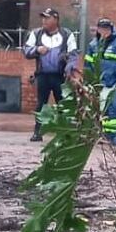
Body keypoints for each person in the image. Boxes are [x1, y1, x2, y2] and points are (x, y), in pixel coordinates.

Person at [23, 7, 78, 142]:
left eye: (47, 18)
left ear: (56, 19)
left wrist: (69, 69)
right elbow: (26, 50)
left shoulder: (67, 34)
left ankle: (65, 133)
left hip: (60, 76)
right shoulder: (36, 34)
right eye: (43, 18)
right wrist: (37, 50)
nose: (44, 20)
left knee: (62, 104)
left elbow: (73, 55)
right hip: (43, 75)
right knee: (41, 104)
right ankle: (38, 132)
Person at [84, 18, 116, 146]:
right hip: (98, 84)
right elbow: (88, 65)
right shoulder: (93, 45)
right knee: (102, 111)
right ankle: (105, 135)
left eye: (107, 28)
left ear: (111, 29)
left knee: (114, 109)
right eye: (102, 28)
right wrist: (87, 82)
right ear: (98, 29)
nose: (104, 31)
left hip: (114, 83)